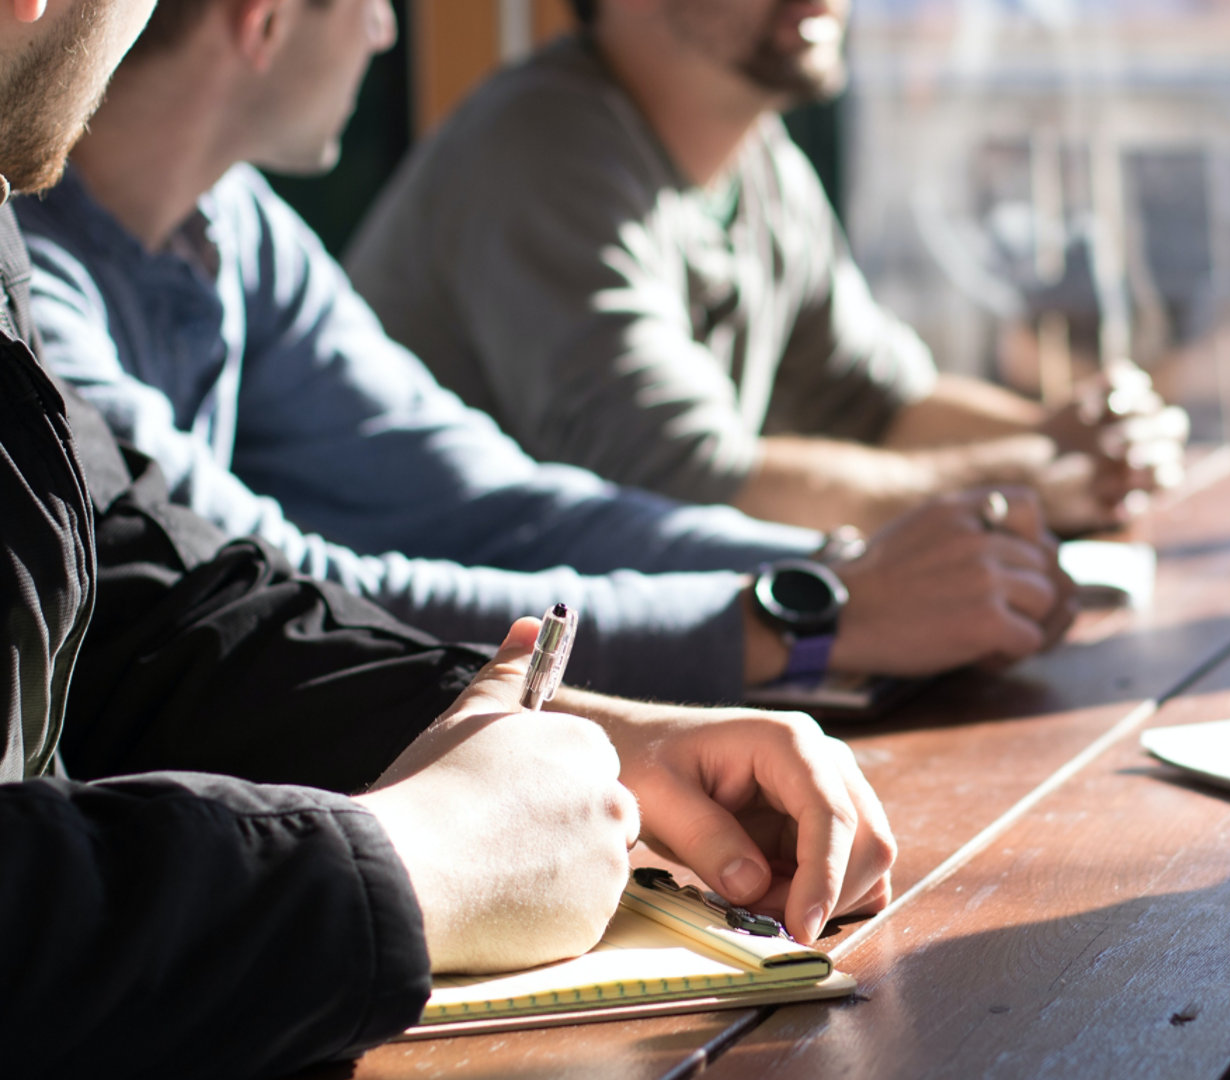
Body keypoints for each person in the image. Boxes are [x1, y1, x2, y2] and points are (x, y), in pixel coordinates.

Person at [0, 2, 892, 1072]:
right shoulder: (543, 146)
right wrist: (406, 861)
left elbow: (150, 599)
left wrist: (544, 727)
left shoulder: (190, 227)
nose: (386, 31)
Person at [21, 0, 1075, 707]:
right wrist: (810, 617)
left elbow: (494, 502)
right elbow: (288, 597)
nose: (389, 30)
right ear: (262, 20)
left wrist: (828, 575)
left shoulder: (230, 223)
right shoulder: (33, 289)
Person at [344, 0, 1191, 538]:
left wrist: (1072, 438)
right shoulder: (540, 149)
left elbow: (878, 403)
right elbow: (685, 482)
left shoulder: (758, 155)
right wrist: (1029, 481)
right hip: (448, 685)